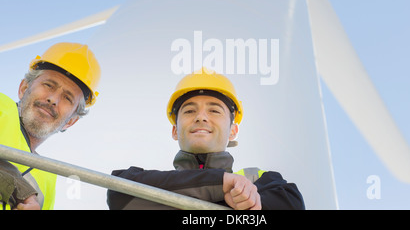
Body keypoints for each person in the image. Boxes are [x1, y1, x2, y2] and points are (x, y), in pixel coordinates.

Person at [107, 68, 305, 210]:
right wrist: (221, 184)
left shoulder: (260, 181)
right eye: (190, 110)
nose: (201, 117)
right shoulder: (144, 182)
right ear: (175, 130)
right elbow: (118, 192)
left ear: (233, 131)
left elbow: (292, 204)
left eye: (214, 110)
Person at [0, 42, 101, 210]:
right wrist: (19, 188)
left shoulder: (48, 178)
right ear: (24, 88)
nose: (53, 99)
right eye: (49, 85)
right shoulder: (2, 107)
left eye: (67, 98)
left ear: (70, 121)